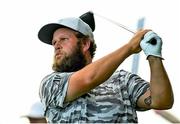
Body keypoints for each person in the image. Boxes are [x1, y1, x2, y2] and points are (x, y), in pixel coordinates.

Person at [38, 11, 174, 123]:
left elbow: (162, 101)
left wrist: (153, 56)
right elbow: (88, 79)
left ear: (85, 44)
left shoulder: (123, 80)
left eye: (63, 39)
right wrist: (129, 47)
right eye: (54, 42)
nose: (56, 45)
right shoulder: (50, 83)